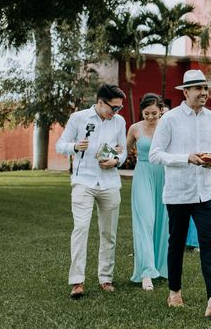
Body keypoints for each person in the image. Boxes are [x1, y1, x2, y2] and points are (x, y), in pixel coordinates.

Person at [149, 69, 211, 318]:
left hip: (206, 191)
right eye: (198, 88)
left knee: (208, 243)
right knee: (176, 243)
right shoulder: (170, 119)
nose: (204, 93)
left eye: (206, 88)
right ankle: (174, 291)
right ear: (186, 92)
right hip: (178, 192)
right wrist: (185, 158)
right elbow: (155, 154)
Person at [56, 83, 128, 299]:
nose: (116, 112)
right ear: (100, 102)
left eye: (119, 108)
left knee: (109, 232)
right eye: (113, 108)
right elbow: (60, 145)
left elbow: (123, 151)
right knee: (81, 229)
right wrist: (75, 147)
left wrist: (115, 161)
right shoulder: (78, 117)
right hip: (83, 182)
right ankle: (77, 281)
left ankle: (106, 278)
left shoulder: (120, 122)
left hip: (110, 183)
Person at [126, 93, 168, 291]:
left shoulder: (167, 126)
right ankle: (146, 272)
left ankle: (160, 267)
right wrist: (110, 156)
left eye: (154, 113)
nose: (150, 117)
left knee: (162, 221)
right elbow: (123, 152)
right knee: (145, 221)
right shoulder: (135, 128)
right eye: (146, 113)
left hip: (164, 175)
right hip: (143, 174)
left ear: (161, 110)